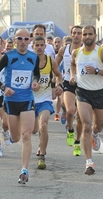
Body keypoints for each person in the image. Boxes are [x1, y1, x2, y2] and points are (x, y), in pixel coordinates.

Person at [0, 29, 40, 184]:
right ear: (15, 40)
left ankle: (24, 170)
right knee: (16, 137)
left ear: (29, 40)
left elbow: (36, 73)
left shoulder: (33, 57)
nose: (23, 41)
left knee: (26, 135)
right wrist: (4, 88)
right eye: (20, 38)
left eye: (26, 38)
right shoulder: (8, 57)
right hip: (11, 101)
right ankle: (11, 135)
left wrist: (36, 81)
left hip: (27, 100)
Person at [70, 25, 103, 175]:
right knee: (86, 125)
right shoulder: (76, 52)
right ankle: (89, 162)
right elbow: (73, 64)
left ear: (95, 35)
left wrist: (97, 71)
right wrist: (73, 75)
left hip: (99, 93)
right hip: (83, 93)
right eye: (85, 34)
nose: (87, 36)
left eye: (90, 34)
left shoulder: (101, 52)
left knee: (98, 126)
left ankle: (95, 134)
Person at [31, 36, 63, 169]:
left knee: (43, 125)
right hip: (30, 100)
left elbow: (58, 75)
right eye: (36, 45)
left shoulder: (51, 61)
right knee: (33, 130)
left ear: (45, 47)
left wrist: (59, 85)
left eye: (41, 45)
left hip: (45, 99)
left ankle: (42, 156)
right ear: (33, 47)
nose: (39, 47)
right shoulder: (29, 61)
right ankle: (40, 142)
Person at [55, 25, 84, 156]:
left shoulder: (87, 50)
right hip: (68, 82)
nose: (77, 35)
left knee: (81, 117)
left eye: (79, 33)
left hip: (84, 84)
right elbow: (54, 65)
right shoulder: (64, 49)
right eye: (74, 33)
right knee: (70, 111)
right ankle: (70, 130)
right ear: (71, 35)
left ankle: (77, 142)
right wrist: (57, 80)